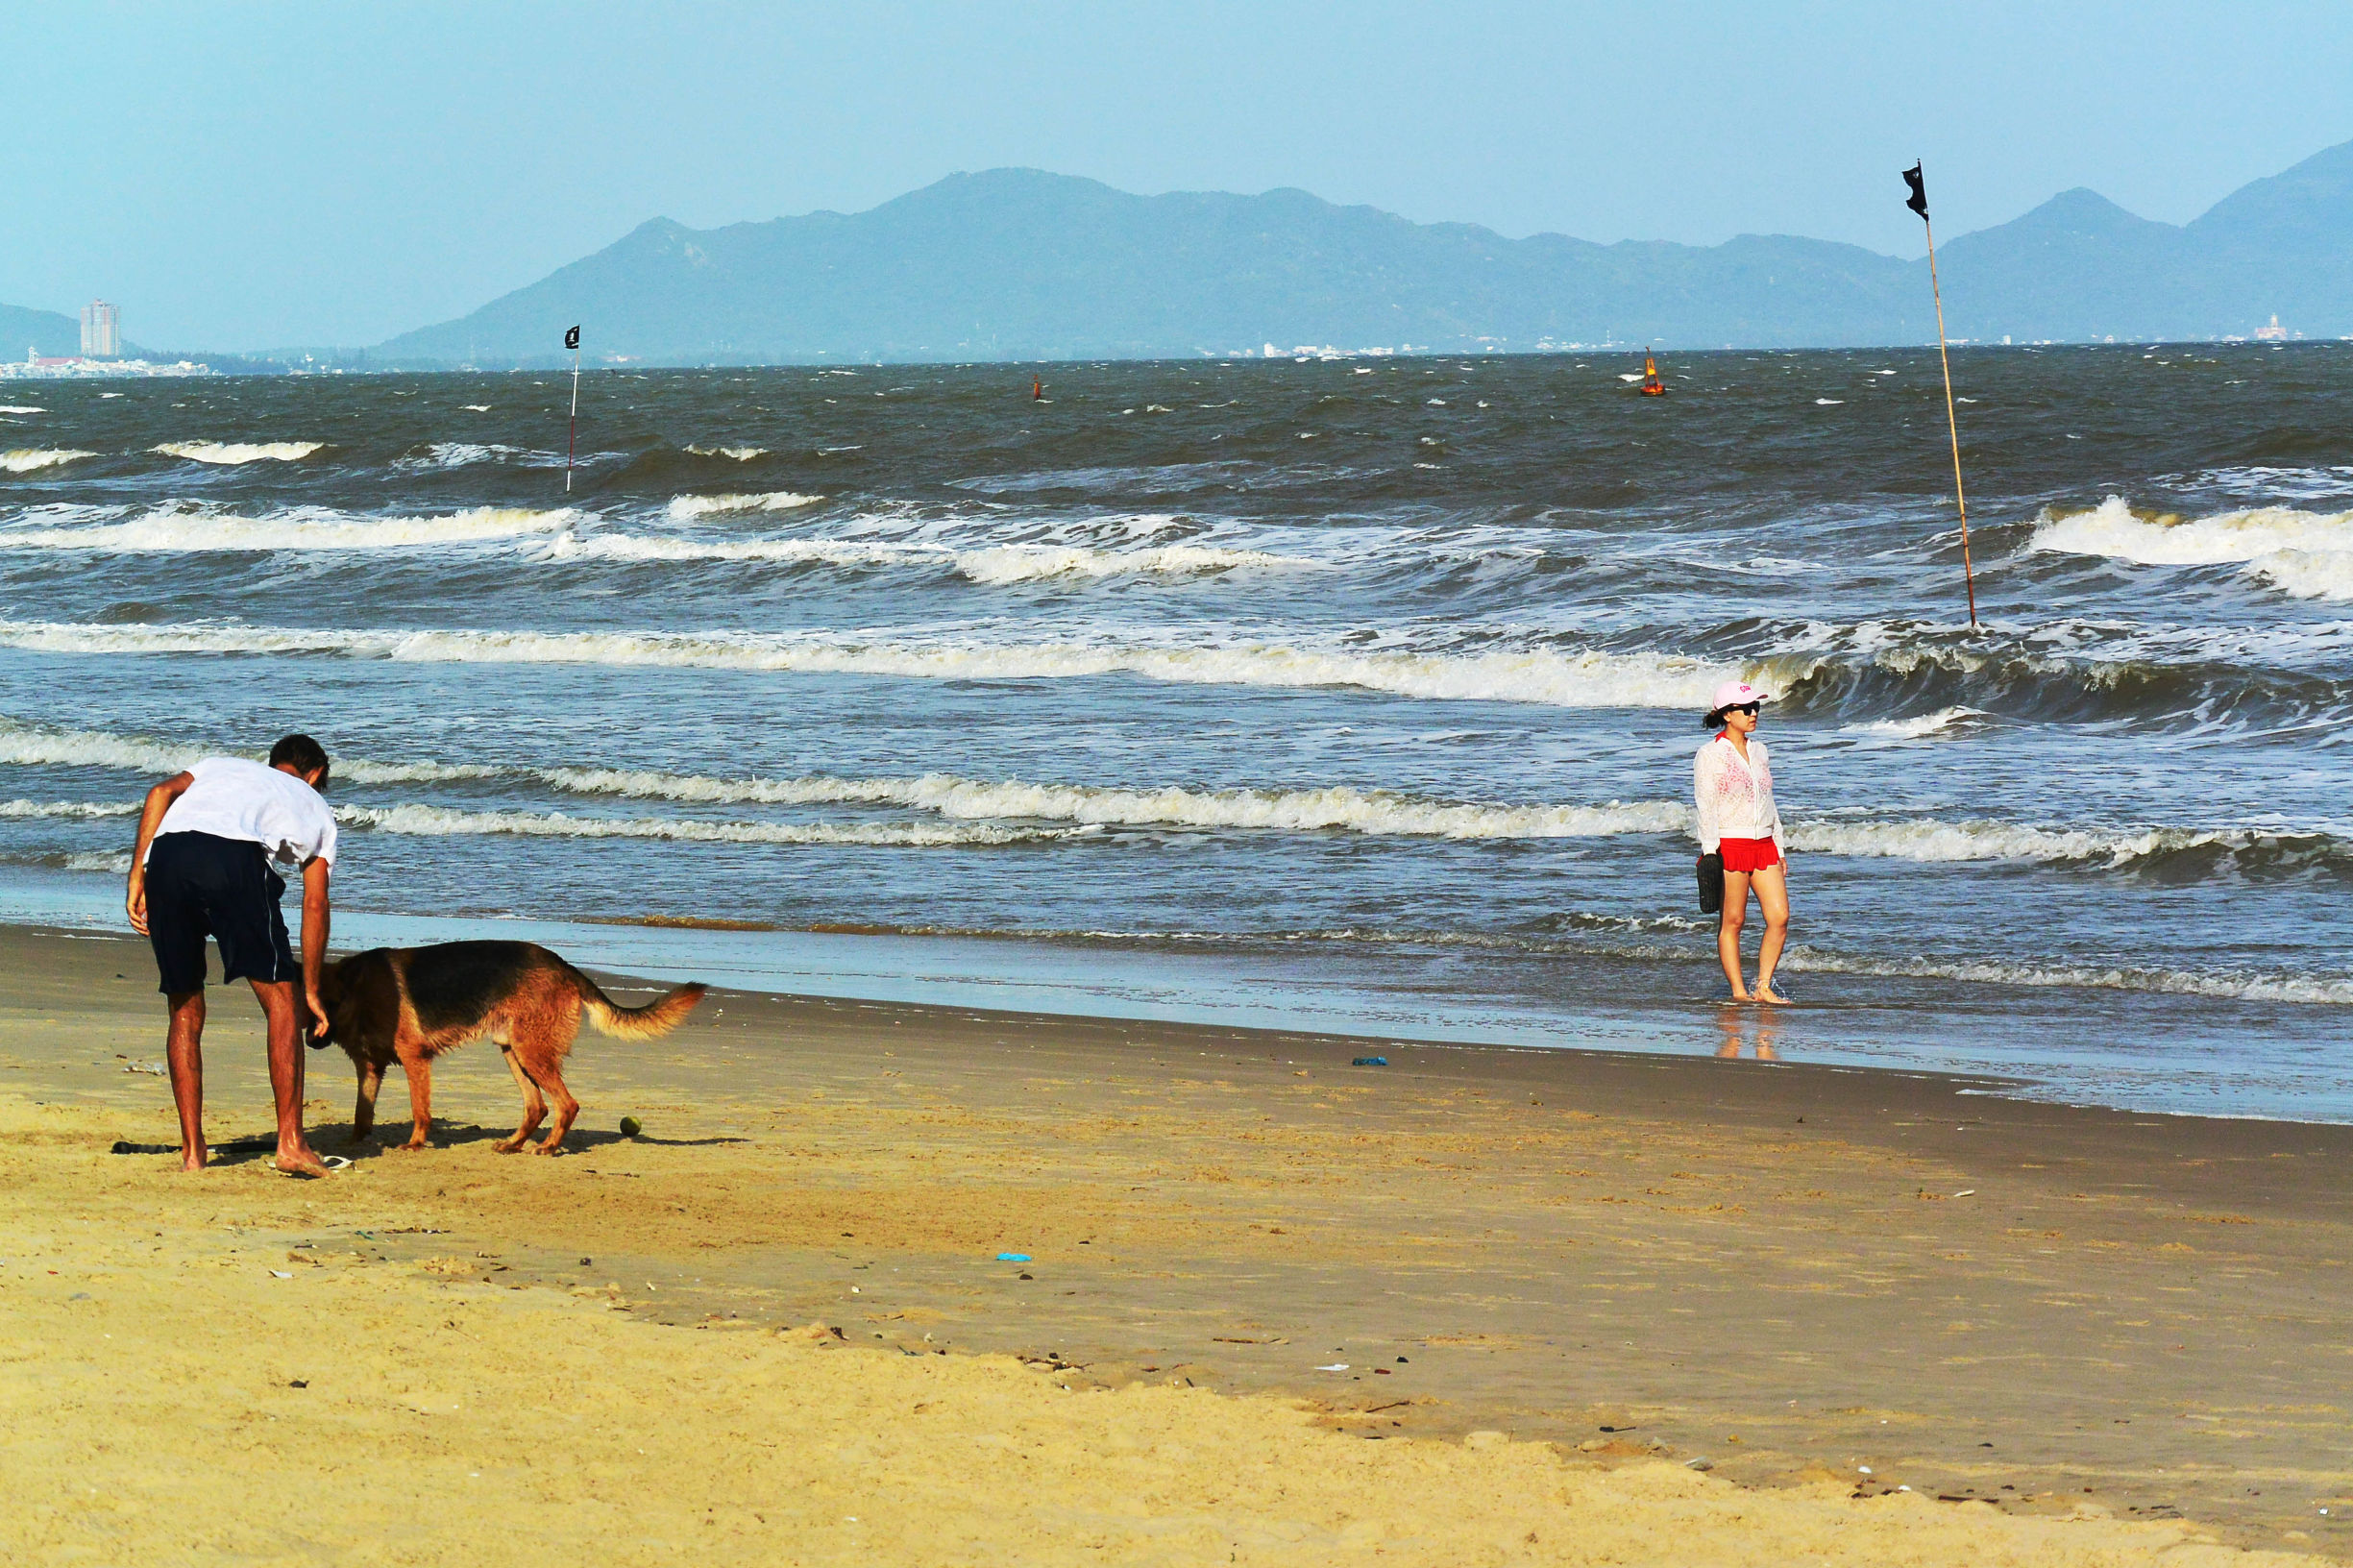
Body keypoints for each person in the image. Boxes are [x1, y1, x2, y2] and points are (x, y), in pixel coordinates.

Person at [125, 735, 337, 1174]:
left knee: (184, 1007)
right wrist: (311, 990)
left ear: (273, 762)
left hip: (167, 857)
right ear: (315, 775)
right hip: (232, 859)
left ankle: (192, 1153)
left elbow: (159, 793)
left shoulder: (220, 765)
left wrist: (137, 874)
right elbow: (315, 904)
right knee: (282, 1000)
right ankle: (290, 1143)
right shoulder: (313, 803)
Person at [1694, 680, 1790, 1004]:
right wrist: (1709, 853)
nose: (1753, 713)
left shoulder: (1760, 751)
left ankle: (1763, 987)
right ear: (1726, 714)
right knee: (1733, 921)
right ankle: (1738, 992)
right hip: (1730, 846)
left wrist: (1779, 846)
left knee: (1779, 917)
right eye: (1746, 709)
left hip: (1763, 844)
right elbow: (1705, 805)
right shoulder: (1710, 755)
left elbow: (1769, 801)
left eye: (1756, 708)